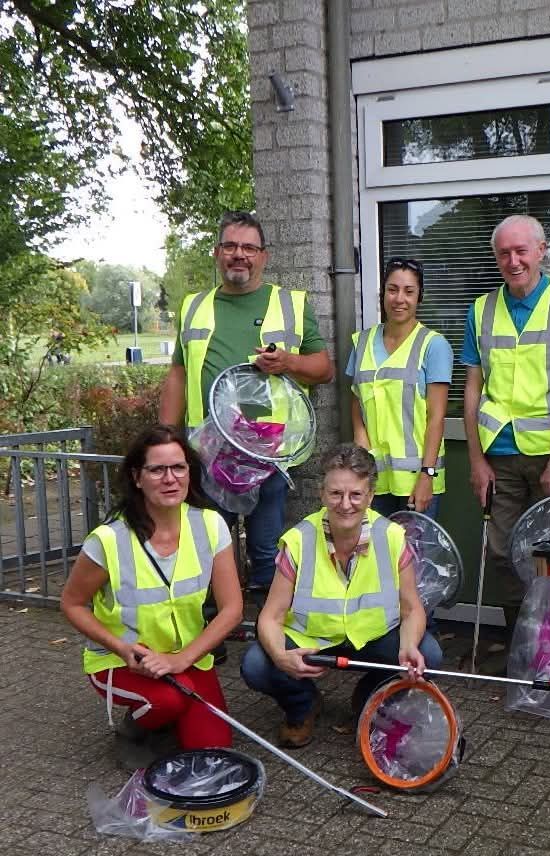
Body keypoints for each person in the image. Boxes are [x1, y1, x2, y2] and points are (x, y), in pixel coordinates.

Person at [159, 210, 334, 599]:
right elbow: (178, 374)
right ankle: (211, 631)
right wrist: (166, 440)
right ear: (217, 253)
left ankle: (267, 638)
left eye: (249, 247)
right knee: (208, 546)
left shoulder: (291, 303)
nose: (240, 255)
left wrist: (288, 362)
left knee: (266, 552)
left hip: (267, 452)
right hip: (207, 452)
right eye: (231, 246)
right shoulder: (193, 305)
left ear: (264, 256)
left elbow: (324, 369)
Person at [240, 443, 443, 749]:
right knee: (257, 663)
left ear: (371, 496)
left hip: (373, 638)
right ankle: (303, 705)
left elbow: (412, 609)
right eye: (335, 494)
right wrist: (282, 657)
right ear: (322, 494)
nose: (345, 504)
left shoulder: (391, 536)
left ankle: (369, 698)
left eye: (356, 495)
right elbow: (270, 617)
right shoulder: (298, 540)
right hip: (314, 640)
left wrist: (409, 645)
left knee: (430, 655)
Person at [60, 425, 243, 750]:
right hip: (122, 661)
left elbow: (232, 610)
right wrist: (121, 648)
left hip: (186, 658)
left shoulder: (211, 525)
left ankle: (172, 714)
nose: (170, 478)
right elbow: (72, 604)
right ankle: (133, 732)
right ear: (136, 477)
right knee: (169, 701)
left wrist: (182, 659)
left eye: (178, 467)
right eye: (157, 469)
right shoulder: (108, 540)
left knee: (214, 752)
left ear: (190, 472)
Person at [462, 214, 550, 639]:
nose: (513, 260)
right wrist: (475, 460)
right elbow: (471, 390)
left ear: (541, 251)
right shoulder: (481, 309)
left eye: (522, 250)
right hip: (499, 455)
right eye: (504, 253)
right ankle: (523, 642)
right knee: (503, 553)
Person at [348, 257, 453, 519]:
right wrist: (362, 449)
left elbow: (436, 417)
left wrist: (427, 476)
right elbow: (356, 400)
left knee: (413, 558)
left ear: (419, 297)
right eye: (392, 289)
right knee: (376, 555)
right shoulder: (362, 342)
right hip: (372, 479)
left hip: (416, 481)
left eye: (409, 291)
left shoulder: (433, 346)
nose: (399, 299)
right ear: (382, 294)